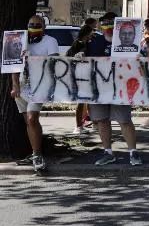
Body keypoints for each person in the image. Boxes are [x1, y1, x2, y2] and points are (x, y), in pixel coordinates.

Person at [85, 12, 143, 166]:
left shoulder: (127, 41)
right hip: (99, 88)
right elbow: (86, 62)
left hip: (121, 88)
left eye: (111, 23)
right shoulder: (94, 42)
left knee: (124, 120)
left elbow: (139, 64)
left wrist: (139, 58)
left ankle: (133, 153)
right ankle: (108, 152)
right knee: (102, 120)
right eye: (105, 23)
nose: (107, 27)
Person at [8, 15, 59, 171]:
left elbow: (53, 64)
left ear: (43, 26)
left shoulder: (50, 42)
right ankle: (35, 152)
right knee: (29, 122)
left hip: (40, 85)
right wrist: (15, 85)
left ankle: (37, 155)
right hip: (23, 86)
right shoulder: (20, 41)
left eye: (38, 24)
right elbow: (13, 65)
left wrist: (34, 59)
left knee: (32, 118)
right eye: (31, 24)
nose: (34, 27)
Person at [67, 20, 97, 134]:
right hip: (80, 76)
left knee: (87, 100)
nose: (93, 35)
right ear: (87, 33)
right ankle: (78, 126)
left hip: (85, 75)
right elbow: (70, 57)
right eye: (91, 33)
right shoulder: (79, 44)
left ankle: (90, 123)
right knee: (81, 101)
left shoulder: (84, 43)